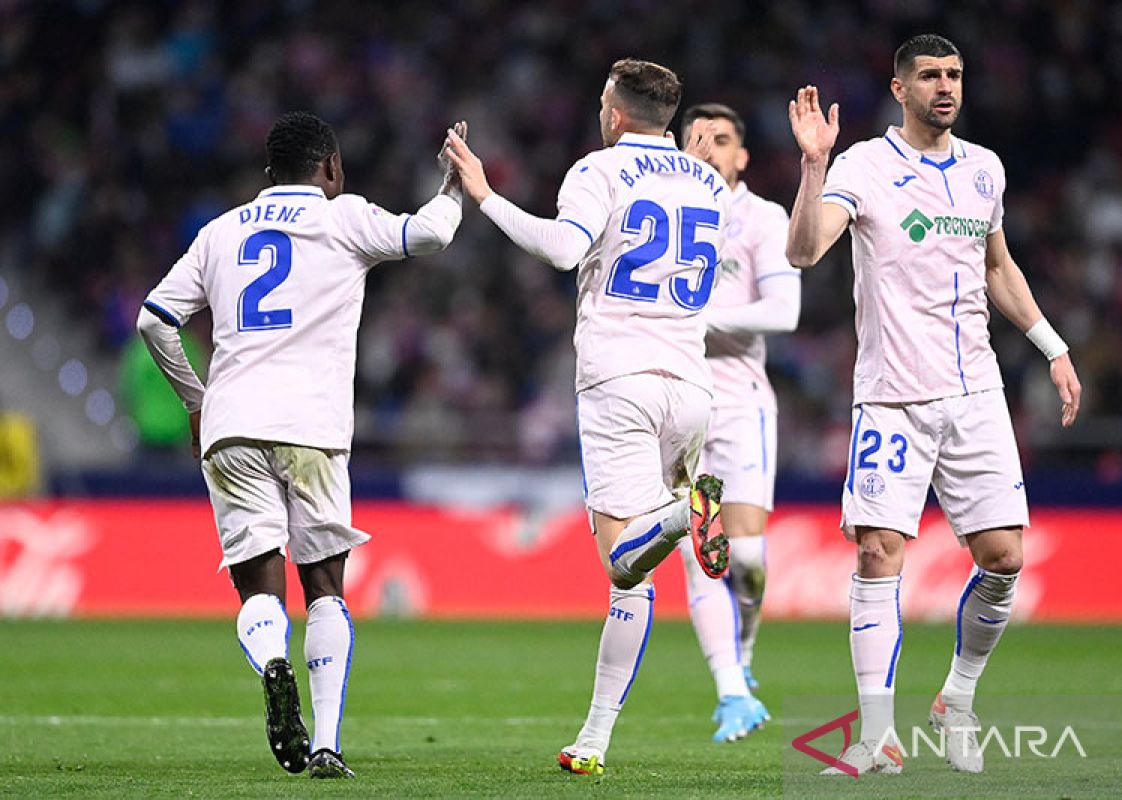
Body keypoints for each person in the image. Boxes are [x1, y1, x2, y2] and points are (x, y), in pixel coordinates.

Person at [785, 34, 1082, 775]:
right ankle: (876, 738)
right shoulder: (863, 166)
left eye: (953, 75)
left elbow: (997, 266)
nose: (945, 86)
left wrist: (1053, 347)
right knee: (879, 550)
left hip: (976, 392)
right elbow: (803, 251)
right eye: (929, 76)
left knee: (1005, 557)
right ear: (899, 88)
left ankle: (957, 695)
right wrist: (814, 165)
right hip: (891, 398)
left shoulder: (985, 169)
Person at [137, 111, 464, 779]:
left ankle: (272, 661)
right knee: (323, 587)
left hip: (231, 425)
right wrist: (454, 185)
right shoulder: (345, 220)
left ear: (268, 176)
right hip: (312, 428)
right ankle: (326, 744)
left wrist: (197, 401)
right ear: (333, 169)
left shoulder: (221, 233)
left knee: (259, 586)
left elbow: (155, 319)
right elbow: (430, 233)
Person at [443, 58, 732, 776]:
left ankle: (676, 516)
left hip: (619, 380)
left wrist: (485, 195)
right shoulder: (710, 184)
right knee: (632, 581)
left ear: (617, 112)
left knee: (621, 561)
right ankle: (594, 739)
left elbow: (565, 249)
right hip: (693, 386)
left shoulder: (598, 170)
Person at [676, 103, 800, 743]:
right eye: (698, 138)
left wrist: (704, 320)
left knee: (746, 557)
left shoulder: (762, 217)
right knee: (703, 555)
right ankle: (729, 690)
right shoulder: (664, 208)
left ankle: (744, 653)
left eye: (721, 139)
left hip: (741, 401)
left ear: (741, 155)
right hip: (675, 403)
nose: (709, 148)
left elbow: (784, 312)